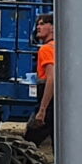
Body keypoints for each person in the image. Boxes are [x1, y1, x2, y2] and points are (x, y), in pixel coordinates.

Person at [22, 13, 57, 145]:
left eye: (42, 24)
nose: (38, 27)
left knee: (28, 144)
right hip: (60, 101)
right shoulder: (62, 48)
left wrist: (42, 109)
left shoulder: (46, 49)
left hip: (48, 101)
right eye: (38, 24)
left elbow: (51, 79)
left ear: (53, 28)